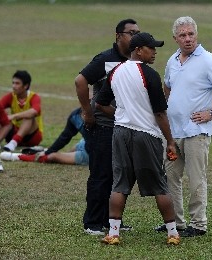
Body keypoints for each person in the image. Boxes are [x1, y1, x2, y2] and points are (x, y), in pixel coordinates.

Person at [96, 32, 180, 245]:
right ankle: (173, 233)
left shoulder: (115, 71)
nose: (154, 52)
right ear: (138, 50)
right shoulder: (149, 74)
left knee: (119, 184)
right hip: (146, 134)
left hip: (121, 133)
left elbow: (100, 103)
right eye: (151, 48)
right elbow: (160, 113)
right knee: (160, 184)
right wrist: (170, 141)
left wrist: (121, 115)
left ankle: (113, 233)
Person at [155, 16, 212, 237]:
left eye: (191, 34)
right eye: (182, 35)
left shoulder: (208, 60)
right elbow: (167, 87)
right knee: (171, 177)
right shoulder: (173, 60)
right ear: (175, 38)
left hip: (196, 132)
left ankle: (199, 225)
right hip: (173, 132)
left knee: (196, 178)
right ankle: (176, 223)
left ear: (197, 35)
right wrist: (169, 110)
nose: (187, 39)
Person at [75, 18, 139, 235]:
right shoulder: (105, 59)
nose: (134, 36)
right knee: (101, 175)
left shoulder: (134, 60)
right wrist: (87, 110)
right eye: (131, 32)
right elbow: (80, 80)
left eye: (137, 33)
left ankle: (112, 221)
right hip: (103, 126)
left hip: (124, 126)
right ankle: (92, 223)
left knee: (119, 176)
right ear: (118, 36)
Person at [3, 107, 89, 166]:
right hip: (85, 143)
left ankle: (18, 157)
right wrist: (50, 151)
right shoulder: (75, 116)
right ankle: (44, 151)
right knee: (71, 149)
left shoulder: (99, 115)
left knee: (53, 156)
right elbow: (65, 137)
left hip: (94, 152)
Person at [0, 70, 43, 152]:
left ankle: (14, 142)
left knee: (29, 116)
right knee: (1, 113)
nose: (13, 86)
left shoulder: (34, 97)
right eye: (13, 83)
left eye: (17, 83)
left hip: (32, 137)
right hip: (13, 133)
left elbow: (35, 111)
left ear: (25, 86)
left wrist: (14, 116)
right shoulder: (10, 96)